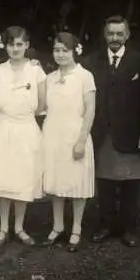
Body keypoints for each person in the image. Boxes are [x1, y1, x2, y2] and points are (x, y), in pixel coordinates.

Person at [85, 15, 140, 247]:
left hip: (132, 132)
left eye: (119, 34)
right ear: (104, 35)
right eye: (110, 34)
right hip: (102, 133)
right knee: (104, 183)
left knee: (131, 184)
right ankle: (106, 225)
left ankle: (129, 229)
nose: (114, 38)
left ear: (127, 35)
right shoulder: (91, 62)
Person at [0, 26, 46, 248]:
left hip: (26, 128)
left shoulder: (36, 71)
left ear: (27, 45)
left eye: (20, 44)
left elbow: (41, 104)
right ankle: (3, 228)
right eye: (11, 44)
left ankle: (19, 227)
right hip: (4, 127)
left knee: (23, 178)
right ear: (5, 46)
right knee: (5, 178)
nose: (15, 49)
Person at [40, 31, 96, 253]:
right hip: (53, 134)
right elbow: (41, 107)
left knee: (76, 183)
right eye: (57, 50)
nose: (60, 54)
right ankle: (57, 226)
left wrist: (81, 140)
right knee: (57, 183)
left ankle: (76, 229)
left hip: (75, 133)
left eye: (65, 50)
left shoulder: (85, 76)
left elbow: (90, 109)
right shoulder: (49, 78)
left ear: (75, 51)